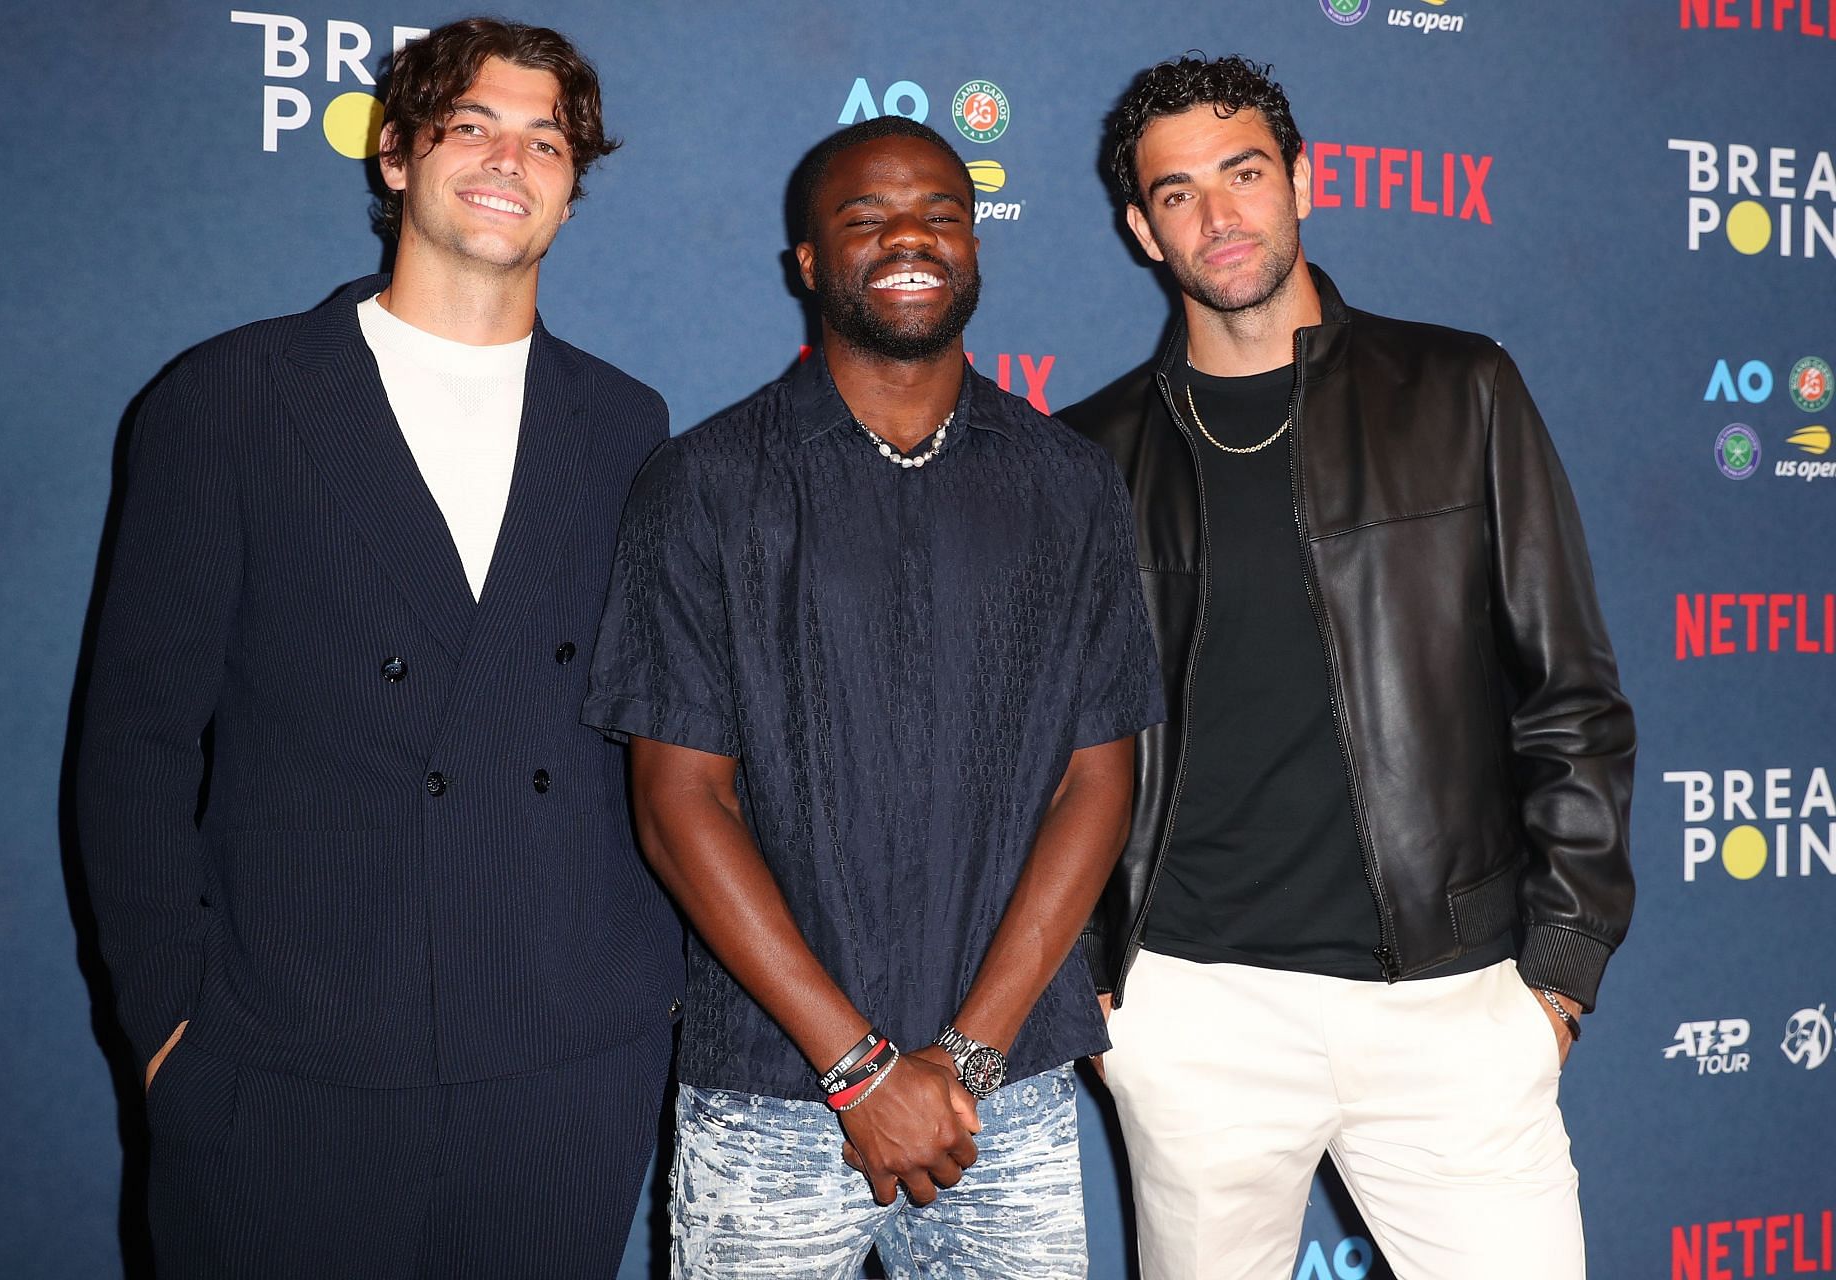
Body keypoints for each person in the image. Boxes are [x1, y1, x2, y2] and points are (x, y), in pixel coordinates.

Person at [76, 18, 680, 1277]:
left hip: (564, 1062)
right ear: (396, 153)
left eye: (547, 140)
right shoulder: (231, 398)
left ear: (573, 189)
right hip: (287, 1057)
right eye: (472, 125)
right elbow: (132, 741)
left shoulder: (626, 424)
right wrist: (168, 1028)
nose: (510, 158)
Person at [1060, 54, 1636, 1280]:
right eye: (1177, 193)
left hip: (1454, 1003)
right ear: (1139, 228)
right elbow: (1047, 752)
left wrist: (1559, 977)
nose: (1219, 216)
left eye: (1244, 172)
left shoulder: (1460, 388)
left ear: (1304, 179)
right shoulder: (1090, 457)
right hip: (1193, 1007)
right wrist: (1099, 999)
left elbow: (1570, 694)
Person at [583, 116, 1164, 1279]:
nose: (911, 237)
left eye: (942, 213)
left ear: (977, 249)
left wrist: (968, 1061)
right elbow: (678, 801)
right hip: (771, 1092)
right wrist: (858, 1068)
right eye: (867, 217)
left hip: (1006, 1095)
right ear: (809, 261)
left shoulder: (1071, 485)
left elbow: (1099, 779)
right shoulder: (704, 483)